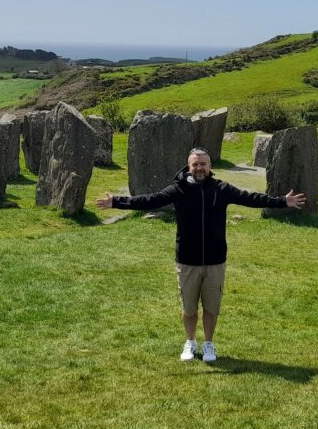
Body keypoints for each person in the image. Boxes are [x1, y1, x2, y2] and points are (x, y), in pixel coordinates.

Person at [96, 147, 306, 363]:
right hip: (187, 260)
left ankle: (208, 343)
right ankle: (190, 342)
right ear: (189, 166)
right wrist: (117, 201)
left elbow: (250, 198)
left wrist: (282, 201)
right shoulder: (178, 190)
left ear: (210, 166)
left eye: (203, 164)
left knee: (211, 308)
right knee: (189, 309)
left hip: (215, 261)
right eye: (195, 164)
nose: (199, 168)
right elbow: (150, 200)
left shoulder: (221, 189)